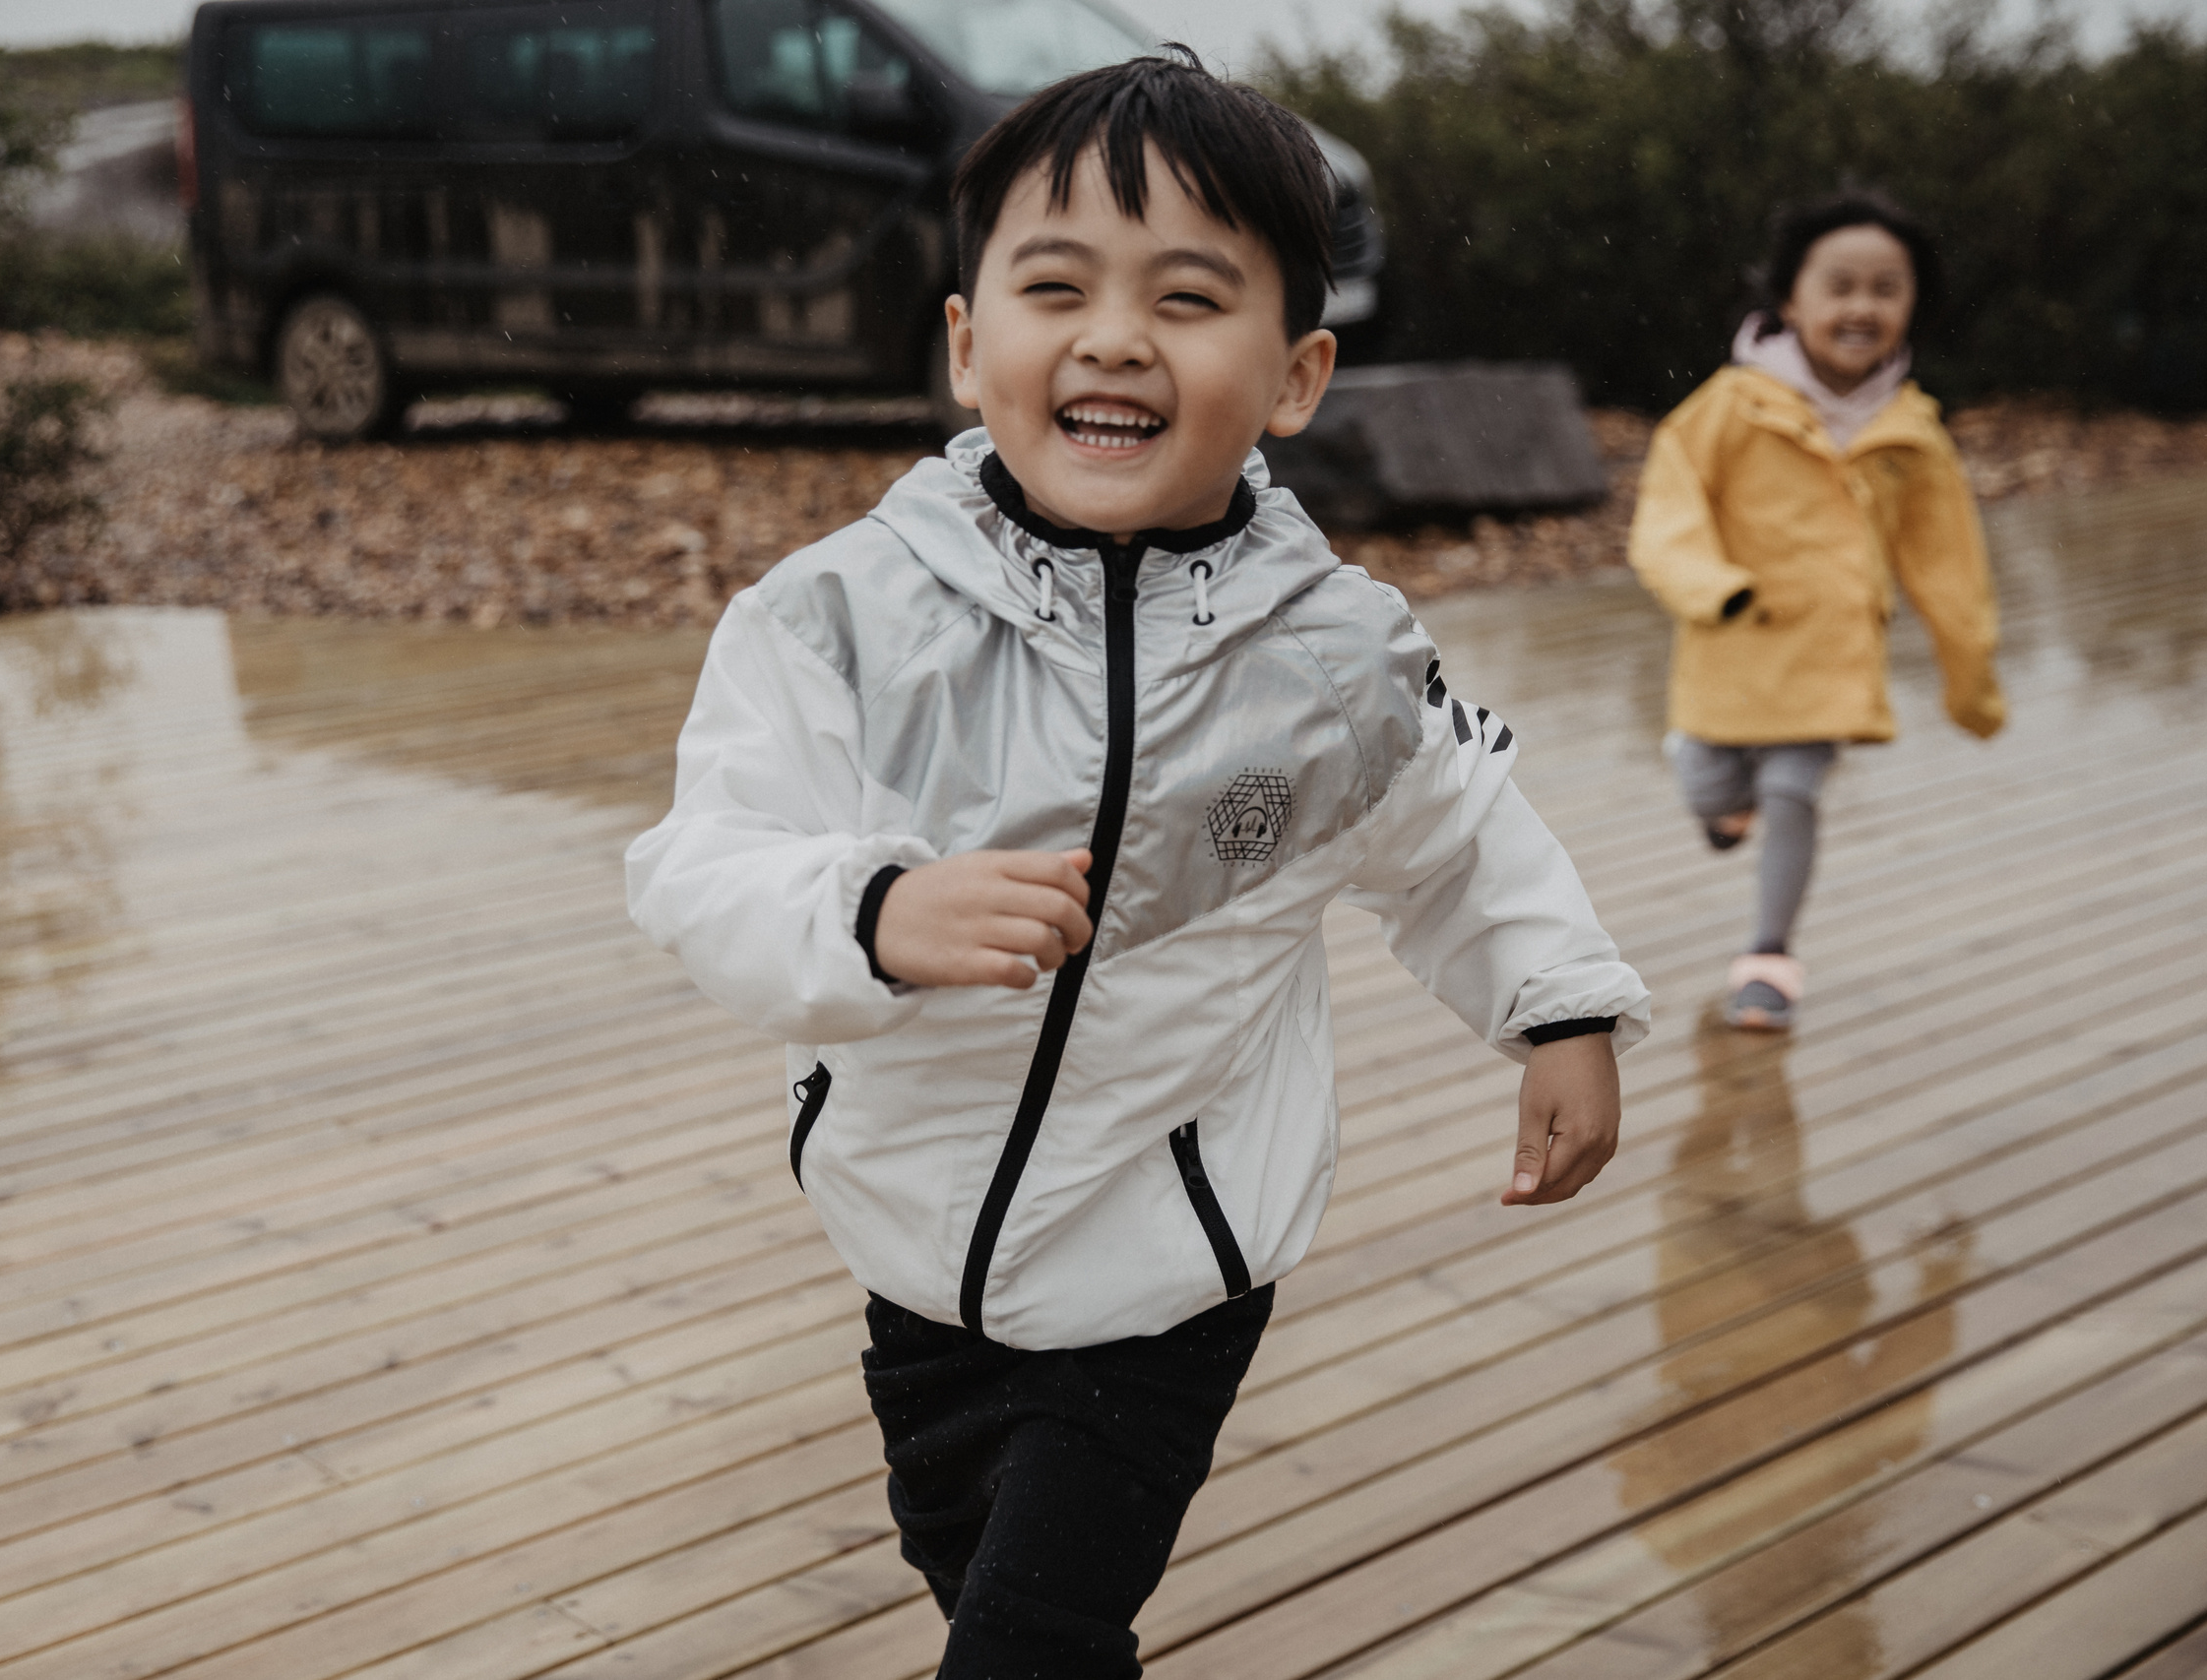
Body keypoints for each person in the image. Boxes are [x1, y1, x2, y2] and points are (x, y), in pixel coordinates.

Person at [625, 49, 1649, 1678]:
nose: (1114, 336)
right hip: (912, 1239)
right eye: (1056, 287)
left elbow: (1458, 835)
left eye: (1187, 297)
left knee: (1027, 1635)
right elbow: (703, 866)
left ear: (1298, 372)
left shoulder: (1334, 656)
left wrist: (1560, 1005)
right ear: (970, 345)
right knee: (974, 1576)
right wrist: (875, 911)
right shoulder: (836, 618)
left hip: (1172, 1255)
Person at [1628, 191, 2006, 1033]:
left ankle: (1768, 957)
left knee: (1796, 789)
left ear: (1912, 305)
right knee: (1706, 776)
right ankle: (1720, 805)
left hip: (1832, 656)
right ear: (1790, 301)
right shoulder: (1729, 407)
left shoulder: (1913, 434)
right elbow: (1668, 507)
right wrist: (1708, 585)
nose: (1861, 306)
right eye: (1839, 285)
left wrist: (1970, 676)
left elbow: (1949, 562)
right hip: (1731, 642)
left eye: (1886, 287)